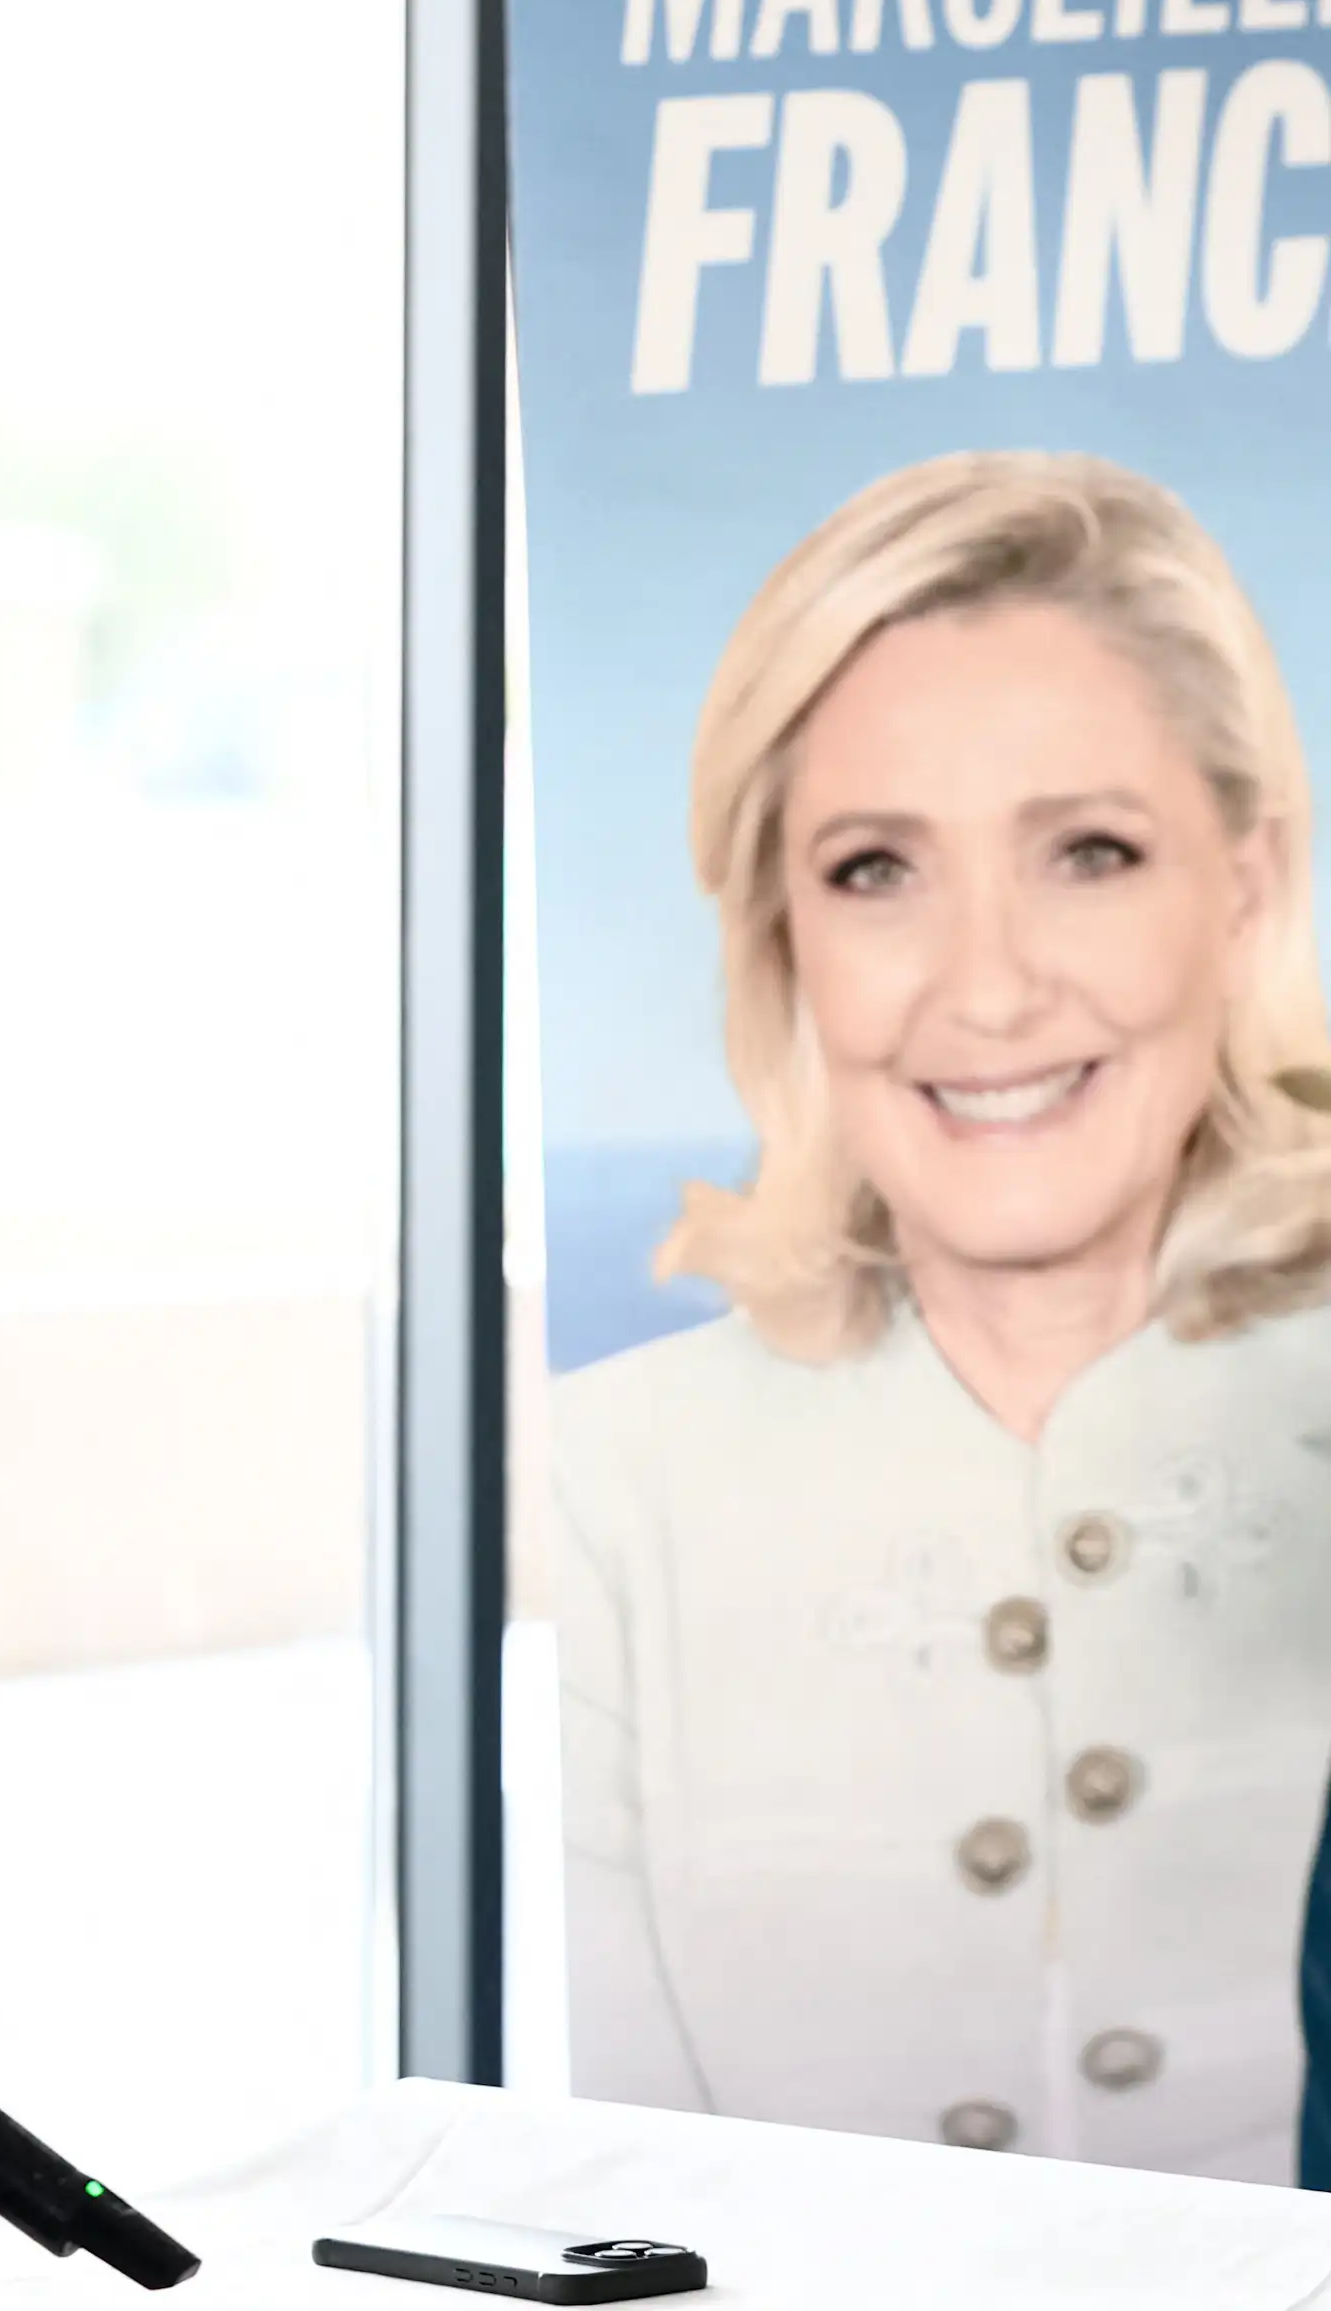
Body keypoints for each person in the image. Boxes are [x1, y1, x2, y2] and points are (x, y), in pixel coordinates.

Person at [556, 452, 1331, 2182]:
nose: (986, 987)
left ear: (1251, 892)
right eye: (876, 870)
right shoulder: (606, 1484)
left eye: (1091, 853)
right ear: (781, 938)